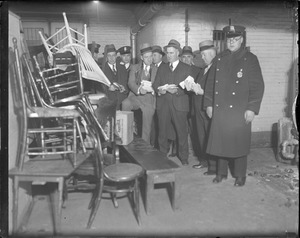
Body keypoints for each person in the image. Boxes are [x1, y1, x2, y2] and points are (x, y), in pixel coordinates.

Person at [204, 25, 264, 186]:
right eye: (229, 39)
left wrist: (252, 108)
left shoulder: (250, 58)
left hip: (239, 109)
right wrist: (208, 104)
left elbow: (258, 86)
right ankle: (221, 173)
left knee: (239, 143)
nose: (231, 42)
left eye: (235, 39)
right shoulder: (219, 58)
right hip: (220, 108)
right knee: (220, 142)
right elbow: (209, 84)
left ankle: (240, 175)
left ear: (241, 40)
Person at [153, 39, 191, 165]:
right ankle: (162, 155)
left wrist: (177, 91)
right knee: (162, 132)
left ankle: (184, 157)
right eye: (167, 53)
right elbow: (155, 84)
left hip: (179, 104)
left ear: (177, 53)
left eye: (171, 53)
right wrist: (160, 91)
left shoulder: (186, 68)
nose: (168, 55)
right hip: (163, 104)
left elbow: (190, 89)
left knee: (181, 132)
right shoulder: (162, 68)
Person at [121, 43, 157, 144]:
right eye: (146, 57)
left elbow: (158, 85)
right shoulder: (135, 68)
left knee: (147, 128)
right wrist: (138, 89)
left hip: (149, 100)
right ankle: (126, 135)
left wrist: (152, 89)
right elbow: (130, 82)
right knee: (125, 103)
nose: (149, 59)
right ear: (141, 57)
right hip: (136, 98)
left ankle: (146, 148)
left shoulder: (157, 69)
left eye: (151, 56)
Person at [191, 40, 217, 175]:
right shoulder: (203, 69)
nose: (202, 58)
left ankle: (213, 166)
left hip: (208, 108)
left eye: (204, 55)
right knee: (201, 136)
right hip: (198, 108)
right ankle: (204, 161)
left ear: (212, 54)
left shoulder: (217, 69)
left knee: (209, 137)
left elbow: (218, 90)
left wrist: (202, 91)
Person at [180, 45, 202, 160]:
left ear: (192, 58)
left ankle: (197, 153)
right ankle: (180, 152)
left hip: (193, 104)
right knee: (181, 129)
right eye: (183, 57)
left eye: (188, 57)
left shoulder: (198, 70)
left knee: (194, 130)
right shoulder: (177, 70)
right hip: (180, 104)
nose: (186, 59)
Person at [102, 44, 128, 110]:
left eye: (113, 55)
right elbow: (100, 85)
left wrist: (124, 88)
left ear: (116, 56)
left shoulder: (122, 67)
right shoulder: (102, 69)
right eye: (109, 55)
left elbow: (126, 81)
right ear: (106, 57)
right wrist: (108, 88)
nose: (111, 58)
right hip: (109, 100)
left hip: (123, 100)